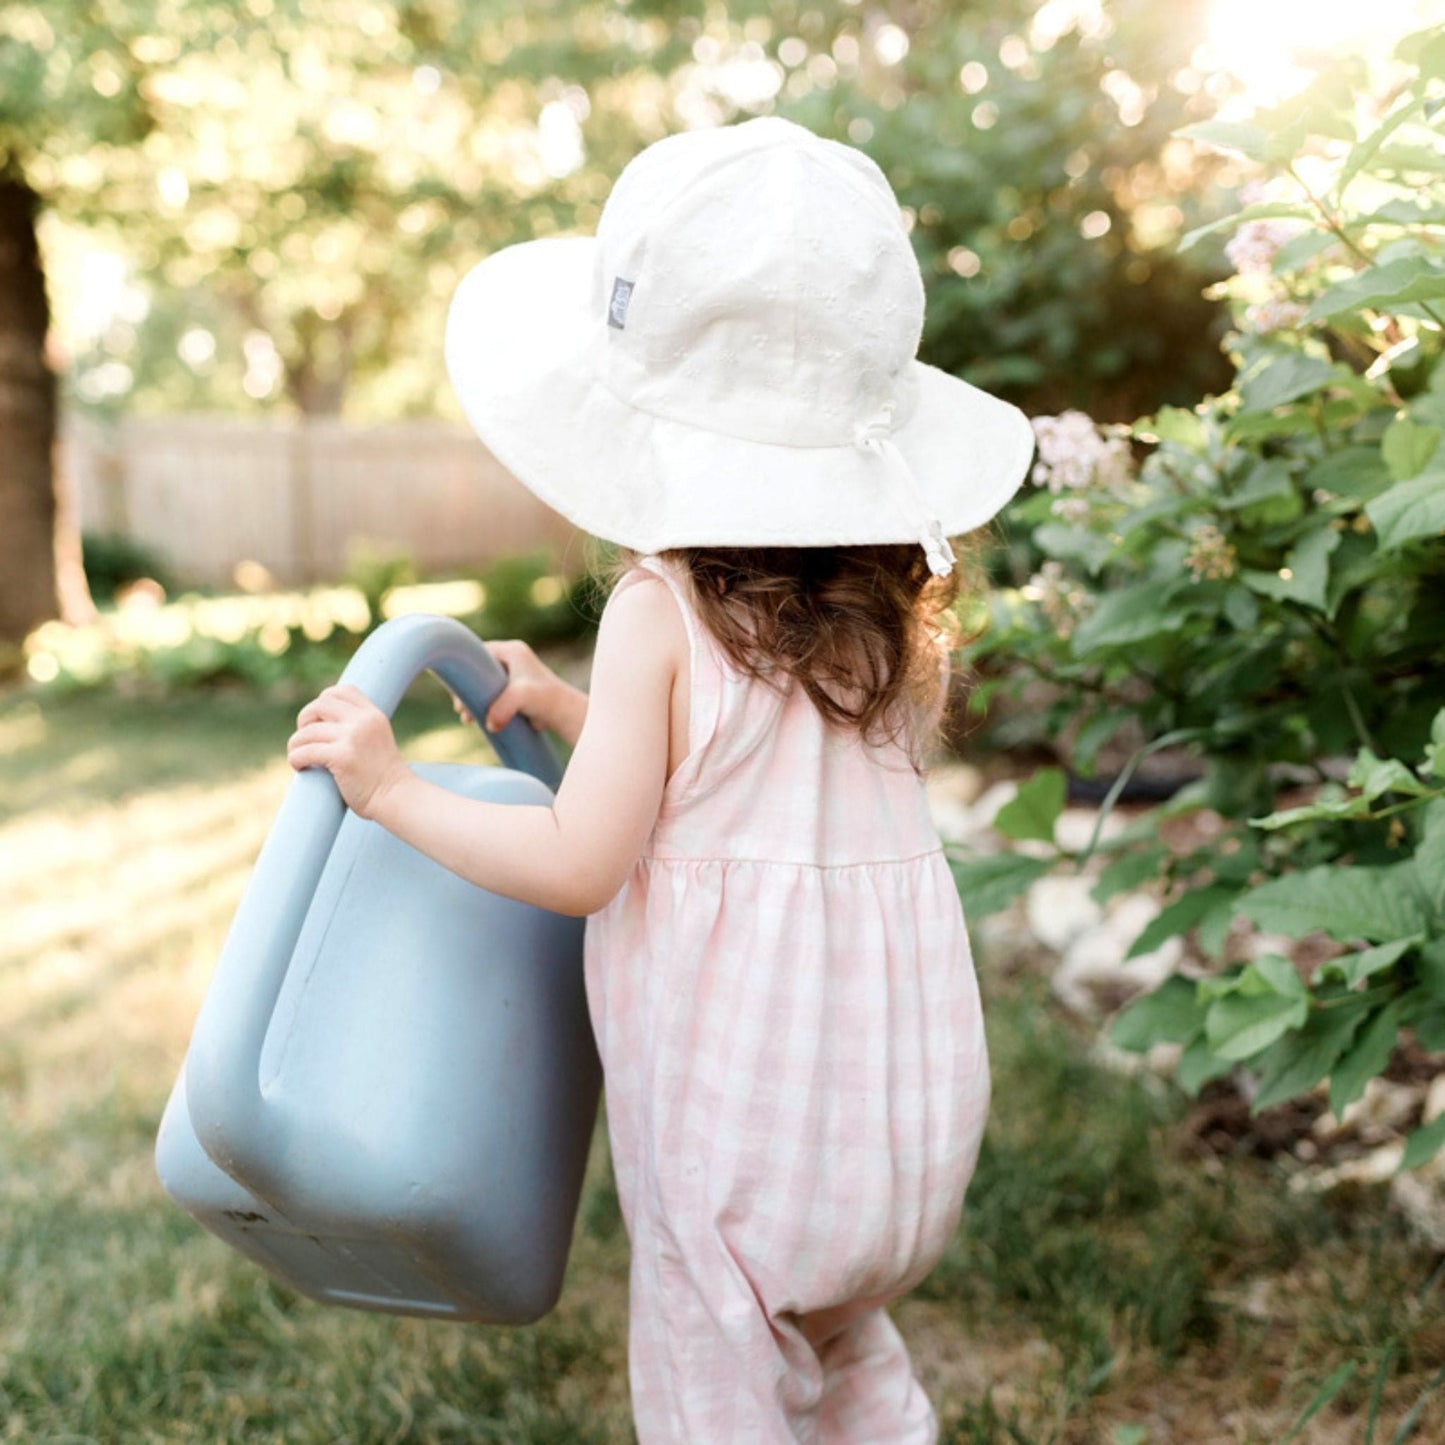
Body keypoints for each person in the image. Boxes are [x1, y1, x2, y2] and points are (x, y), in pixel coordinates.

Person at [286, 116, 1034, 1443]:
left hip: (738, 1143)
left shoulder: (663, 606)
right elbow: (742, 781)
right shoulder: (874, 618)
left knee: (720, 1386)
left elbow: (584, 858)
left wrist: (391, 787)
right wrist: (570, 707)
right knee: (842, 1346)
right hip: (893, 1133)